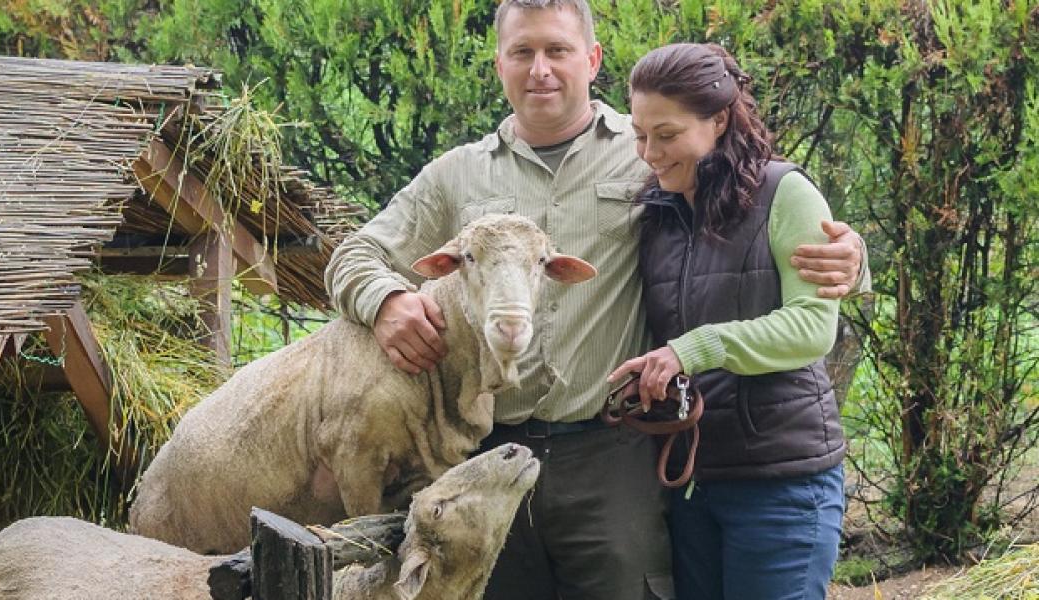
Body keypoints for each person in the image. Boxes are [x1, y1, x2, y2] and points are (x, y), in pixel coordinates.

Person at [325, 2, 866, 598]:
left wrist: (850, 260)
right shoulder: (457, 175)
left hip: (613, 454)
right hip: (485, 454)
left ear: (591, 59)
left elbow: (749, 217)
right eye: (522, 52)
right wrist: (385, 303)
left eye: (557, 50)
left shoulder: (649, 150)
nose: (540, 70)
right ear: (499, 63)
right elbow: (354, 256)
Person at [608, 43, 855, 600]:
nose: (649, 152)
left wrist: (693, 348)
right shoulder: (659, 213)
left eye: (667, 135)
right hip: (694, 484)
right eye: (640, 135)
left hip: (784, 483)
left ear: (719, 120)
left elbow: (813, 329)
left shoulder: (784, 192)